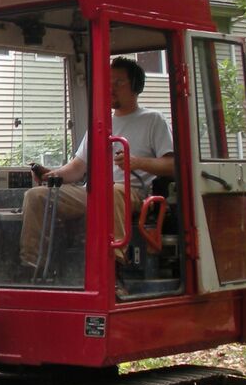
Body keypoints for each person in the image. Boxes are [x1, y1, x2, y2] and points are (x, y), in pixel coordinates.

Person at [19, 57, 175, 274]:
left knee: (112, 192)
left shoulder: (153, 120)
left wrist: (137, 162)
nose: (111, 87)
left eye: (118, 82)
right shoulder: (100, 123)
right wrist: (51, 174)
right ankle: (32, 266)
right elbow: (78, 167)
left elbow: (172, 165)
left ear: (136, 86)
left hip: (133, 193)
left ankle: (115, 266)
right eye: (108, 82)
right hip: (92, 192)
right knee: (35, 196)